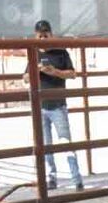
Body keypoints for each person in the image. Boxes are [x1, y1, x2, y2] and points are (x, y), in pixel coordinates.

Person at [26, 20, 82, 190]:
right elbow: (25, 78)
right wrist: (36, 70)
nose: (43, 38)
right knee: (45, 145)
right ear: (36, 36)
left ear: (51, 34)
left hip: (58, 106)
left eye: (46, 35)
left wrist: (55, 72)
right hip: (40, 107)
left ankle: (76, 178)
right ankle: (51, 178)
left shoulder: (61, 52)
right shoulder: (33, 54)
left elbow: (73, 74)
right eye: (40, 35)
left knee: (66, 142)